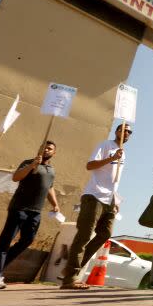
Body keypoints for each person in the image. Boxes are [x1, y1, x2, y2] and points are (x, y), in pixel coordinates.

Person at [60, 123, 131, 289]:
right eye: (123, 130)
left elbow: (113, 179)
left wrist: (115, 200)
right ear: (117, 131)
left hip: (109, 199)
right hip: (94, 195)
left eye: (129, 131)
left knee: (105, 233)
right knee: (84, 234)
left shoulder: (123, 153)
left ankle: (72, 268)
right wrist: (112, 158)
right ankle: (70, 277)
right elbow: (90, 165)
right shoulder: (105, 145)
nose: (126, 133)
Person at [0, 141, 60, 289]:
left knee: (27, 240)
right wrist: (32, 165)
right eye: (44, 147)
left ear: (54, 153)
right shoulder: (28, 163)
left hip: (36, 212)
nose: (46, 150)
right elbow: (16, 177)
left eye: (50, 149)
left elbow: (49, 187)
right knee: (6, 241)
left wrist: (55, 204)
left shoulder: (51, 170)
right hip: (19, 208)